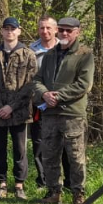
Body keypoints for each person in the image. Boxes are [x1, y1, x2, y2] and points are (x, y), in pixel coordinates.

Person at [32, 16, 95, 204]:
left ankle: (78, 194)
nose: (64, 34)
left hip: (72, 114)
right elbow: (36, 80)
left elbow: (84, 84)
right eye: (62, 30)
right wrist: (44, 94)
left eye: (69, 30)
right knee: (50, 154)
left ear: (77, 32)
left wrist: (57, 96)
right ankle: (53, 192)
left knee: (75, 156)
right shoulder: (50, 54)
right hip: (50, 114)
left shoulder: (85, 55)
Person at [0, 17, 39, 201]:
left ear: (19, 31)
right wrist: (0, 107)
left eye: (12, 29)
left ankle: (19, 185)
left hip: (19, 112)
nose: (9, 32)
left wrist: (11, 106)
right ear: (2, 32)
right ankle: (2, 184)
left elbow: (30, 85)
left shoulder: (28, 55)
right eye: (6, 29)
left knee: (19, 149)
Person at [28, 14, 59, 187]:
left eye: (48, 28)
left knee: (62, 144)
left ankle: (62, 182)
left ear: (56, 30)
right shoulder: (30, 50)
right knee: (39, 143)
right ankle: (43, 182)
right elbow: (28, 79)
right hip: (38, 104)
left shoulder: (65, 49)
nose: (45, 31)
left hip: (60, 104)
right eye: (41, 28)